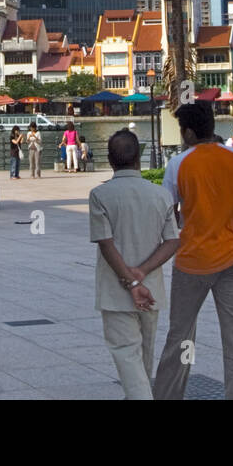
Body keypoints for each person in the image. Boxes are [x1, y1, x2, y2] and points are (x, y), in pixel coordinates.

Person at [153, 103, 233, 401]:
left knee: (180, 337)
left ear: (187, 132)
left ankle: (167, 396)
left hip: (192, 262)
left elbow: (166, 212)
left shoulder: (178, 164)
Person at [88, 130, 180, 399]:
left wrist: (131, 281)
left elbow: (106, 243)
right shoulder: (160, 195)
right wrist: (141, 274)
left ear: (110, 160)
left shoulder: (100, 195)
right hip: (150, 289)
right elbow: (172, 241)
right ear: (139, 158)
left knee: (127, 354)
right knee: (143, 356)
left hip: (116, 291)